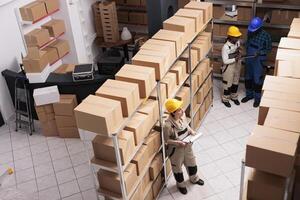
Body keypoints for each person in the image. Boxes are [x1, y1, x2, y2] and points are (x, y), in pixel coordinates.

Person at [163, 99, 204, 195]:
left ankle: (194, 179)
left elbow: (186, 126)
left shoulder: (183, 117)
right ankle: (180, 185)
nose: (182, 110)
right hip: (176, 151)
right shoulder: (167, 126)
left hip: (188, 146)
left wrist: (191, 131)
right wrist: (177, 142)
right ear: (173, 113)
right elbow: (166, 140)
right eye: (179, 110)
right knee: (177, 170)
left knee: (192, 164)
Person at [241, 17, 272, 107]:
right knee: (248, 77)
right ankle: (249, 95)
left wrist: (260, 52)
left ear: (260, 28)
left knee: (257, 79)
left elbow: (269, 49)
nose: (253, 31)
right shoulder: (250, 32)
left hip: (258, 60)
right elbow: (247, 43)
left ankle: (257, 99)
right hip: (249, 58)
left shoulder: (266, 36)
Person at [221, 26, 242, 108]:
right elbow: (225, 61)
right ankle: (225, 99)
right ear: (230, 36)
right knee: (227, 83)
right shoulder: (225, 47)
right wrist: (235, 59)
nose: (238, 38)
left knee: (235, 81)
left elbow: (239, 49)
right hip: (228, 66)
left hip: (237, 64)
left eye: (238, 36)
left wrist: (239, 53)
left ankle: (234, 97)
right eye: (236, 37)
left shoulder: (237, 42)